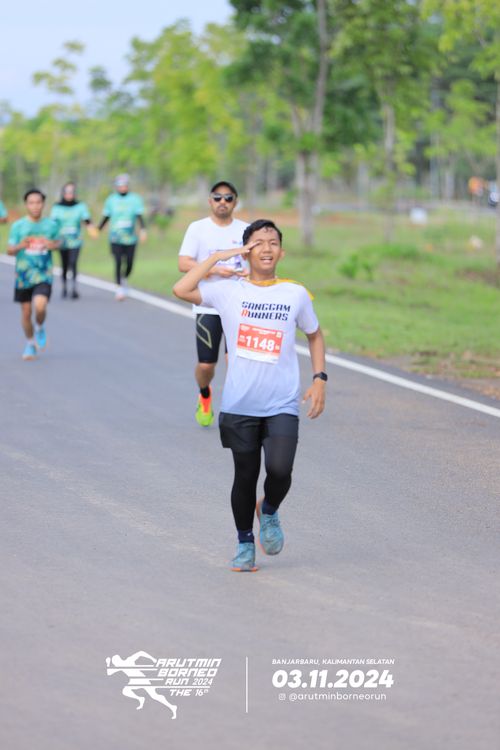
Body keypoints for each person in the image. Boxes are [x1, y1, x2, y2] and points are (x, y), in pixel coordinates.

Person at [173, 219, 327, 572]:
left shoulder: (294, 293)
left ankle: (268, 510)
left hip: (281, 403)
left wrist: (319, 377)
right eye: (258, 242)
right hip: (240, 403)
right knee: (244, 476)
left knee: (280, 469)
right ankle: (244, 544)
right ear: (246, 251)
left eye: (273, 242)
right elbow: (181, 288)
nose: (267, 248)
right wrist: (219, 258)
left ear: (282, 252)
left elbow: (314, 334)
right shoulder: (228, 292)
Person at [178, 180, 249, 427]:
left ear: (235, 202)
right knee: (206, 365)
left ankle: (235, 407)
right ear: (210, 201)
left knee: (235, 361)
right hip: (207, 305)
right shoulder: (198, 228)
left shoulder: (246, 229)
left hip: (239, 305)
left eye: (228, 198)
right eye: (218, 197)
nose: (222, 202)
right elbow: (184, 263)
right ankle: (205, 393)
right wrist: (215, 269)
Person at [7, 189, 60, 360]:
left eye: (38, 202)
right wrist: (20, 246)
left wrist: (51, 244)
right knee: (26, 312)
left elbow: (59, 242)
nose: (35, 206)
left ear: (43, 204)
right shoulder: (18, 226)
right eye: (31, 203)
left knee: (40, 305)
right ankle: (30, 344)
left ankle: (40, 326)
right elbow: (9, 250)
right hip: (23, 276)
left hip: (43, 274)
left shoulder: (51, 225)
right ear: (26, 205)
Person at [98, 174, 147, 300]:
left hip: (130, 238)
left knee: (129, 263)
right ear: (116, 187)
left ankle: (124, 277)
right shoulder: (111, 200)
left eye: (124, 185)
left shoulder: (135, 199)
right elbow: (106, 216)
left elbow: (139, 216)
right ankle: (119, 287)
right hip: (115, 238)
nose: (122, 188)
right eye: (120, 186)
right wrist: (98, 229)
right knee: (118, 261)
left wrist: (143, 230)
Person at [50, 182, 98, 298]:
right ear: (63, 193)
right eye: (67, 192)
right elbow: (52, 224)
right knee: (65, 264)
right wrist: (51, 238)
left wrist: (92, 230)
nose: (69, 194)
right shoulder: (57, 207)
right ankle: (64, 287)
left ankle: (74, 288)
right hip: (62, 242)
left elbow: (87, 220)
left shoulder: (80, 206)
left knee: (73, 262)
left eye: (72, 192)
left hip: (75, 241)